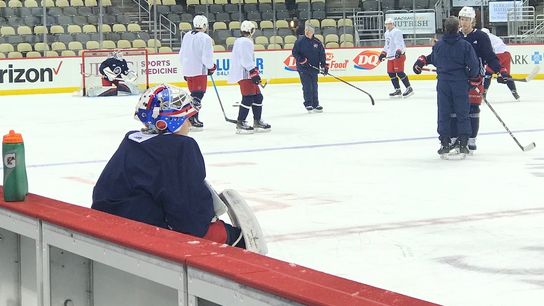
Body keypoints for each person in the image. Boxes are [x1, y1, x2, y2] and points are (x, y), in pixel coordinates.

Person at [92, 84, 245, 249]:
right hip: (141, 239)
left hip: (106, 227)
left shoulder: (132, 140)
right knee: (233, 239)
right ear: (171, 122)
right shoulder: (179, 148)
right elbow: (190, 221)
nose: (190, 124)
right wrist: (229, 235)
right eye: (187, 118)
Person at [413, 17, 481, 157]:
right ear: (458, 28)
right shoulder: (465, 45)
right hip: (460, 83)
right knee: (463, 113)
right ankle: (463, 143)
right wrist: (471, 77)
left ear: (445, 28)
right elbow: (474, 67)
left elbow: (434, 59)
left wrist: (421, 61)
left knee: (444, 112)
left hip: (443, 83)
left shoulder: (439, 45)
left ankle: (445, 142)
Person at [456, 6, 509, 151]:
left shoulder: (480, 37)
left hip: (476, 78)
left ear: (473, 21)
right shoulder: (456, 36)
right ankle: (459, 139)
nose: (464, 22)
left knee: (473, 109)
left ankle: (472, 139)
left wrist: (501, 70)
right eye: (462, 19)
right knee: (457, 110)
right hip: (458, 80)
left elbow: (490, 57)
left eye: (467, 19)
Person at [228, 20, 271, 134]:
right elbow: (246, 59)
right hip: (245, 74)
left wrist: (253, 71)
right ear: (251, 31)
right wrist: (253, 72)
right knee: (248, 98)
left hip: (245, 73)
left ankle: (257, 121)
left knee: (258, 97)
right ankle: (241, 122)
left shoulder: (239, 41)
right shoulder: (246, 42)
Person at [179, 15, 216, 130]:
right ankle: (192, 119)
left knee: (194, 95)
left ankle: (191, 118)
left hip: (188, 70)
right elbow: (206, 57)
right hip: (199, 70)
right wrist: (212, 67)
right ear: (204, 25)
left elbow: (181, 54)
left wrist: (185, 68)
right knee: (197, 95)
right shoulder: (205, 38)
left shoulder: (187, 35)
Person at [292, 23, 328, 113]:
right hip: (303, 68)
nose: (307, 32)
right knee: (307, 86)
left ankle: (316, 104)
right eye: (306, 30)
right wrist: (301, 60)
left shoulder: (317, 42)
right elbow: (295, 52)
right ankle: (308, 103)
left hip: (314, 68)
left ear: (312, 32)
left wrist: (324, 65)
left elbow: (322, 55)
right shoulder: (300, 41)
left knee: (314, 86)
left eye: (309, 31)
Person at [480, 28, 520, 100]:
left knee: (488, 74)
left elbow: (489, 53)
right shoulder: (495, 37)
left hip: (498, 55)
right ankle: (514, 92)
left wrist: (498, 73)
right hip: (507, 55)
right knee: (506, 75)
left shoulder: (484, 38)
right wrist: (500, 74)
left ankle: (484, 93)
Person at [378, 18, 413, 98]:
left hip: (398, 55)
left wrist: (398, 51)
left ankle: (409, 88)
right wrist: (383, 53)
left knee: (400, 72)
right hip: (391, 56)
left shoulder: (397, 32)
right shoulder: (386, 33)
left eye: (389, 24)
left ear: (393, 24)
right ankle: (397, 89)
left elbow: (399, 43)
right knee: (391, 73)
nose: (388, 26)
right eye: (386, 24)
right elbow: (387, 45)